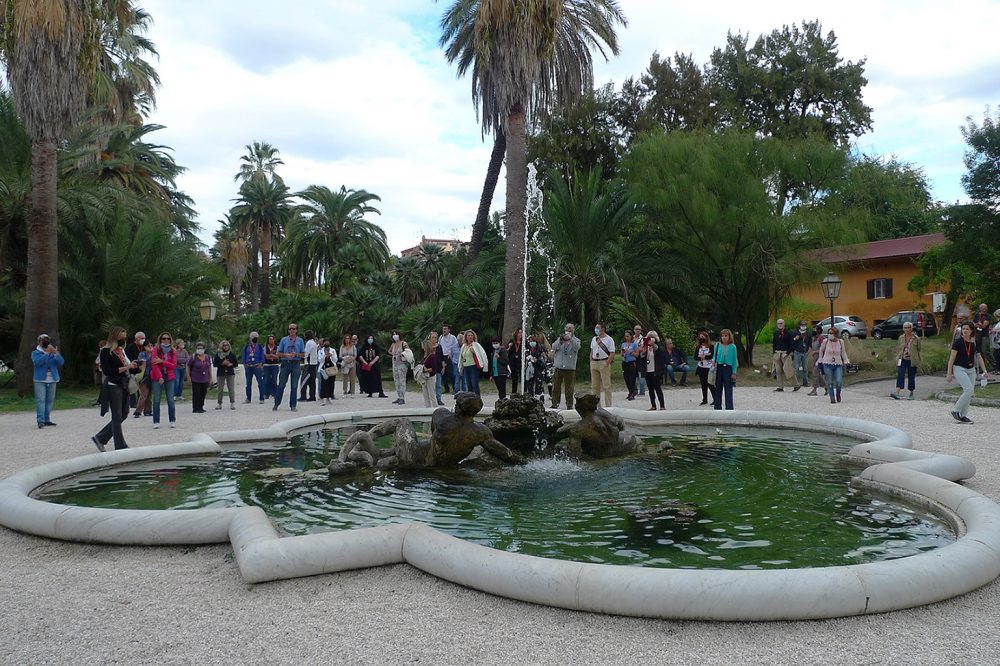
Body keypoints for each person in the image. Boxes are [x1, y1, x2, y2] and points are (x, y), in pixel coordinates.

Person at [92, 326, 138, 452]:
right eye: (121, 337)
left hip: (124, 384)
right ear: (115, 337)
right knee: (117, 415)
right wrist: (126, 368)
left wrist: (135, 365)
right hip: (113, 385)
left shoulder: (121, 351)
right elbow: (107, 371)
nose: (123, 339)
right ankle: (120, 444)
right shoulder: (106, 351)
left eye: (124, 337)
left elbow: (129, 367)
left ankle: (100, 437)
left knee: (124, 413)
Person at [946, 321, 989, 424]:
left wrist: (985, 371)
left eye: (967, 329)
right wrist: (949, 373)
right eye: (963, 329)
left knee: (970, 393)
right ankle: (955, 410)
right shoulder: (958, 343)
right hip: (959, 368)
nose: (964, 331)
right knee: (968, 390)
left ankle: (963, 415)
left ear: (971, 331)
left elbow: (979, 357)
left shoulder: (974, 342)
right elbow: (951, 359)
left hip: (971, 369)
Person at [31, 333, 64, 428]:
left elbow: (61, 362)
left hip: (52, 379)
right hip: (40, 379)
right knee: (40, 400)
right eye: (43, 340)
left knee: (50, 400)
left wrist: (55, 353)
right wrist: (47, 354)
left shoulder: (53, 350)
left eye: (47, 339)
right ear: (39, 342)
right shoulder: (35, 353)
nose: (45, 341)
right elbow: (37, 363)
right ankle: (40, 421)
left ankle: (47, 419)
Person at [273, 323, 305, 411]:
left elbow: (304, 354)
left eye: (293, 329)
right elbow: (278, 353)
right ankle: (276, 403)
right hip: (285, 363)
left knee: (294, 386)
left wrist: (297, 354)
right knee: (281, 385)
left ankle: (293, 405)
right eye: (290, 329)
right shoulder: (284, 340)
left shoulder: (300, 341)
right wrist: (285, 355)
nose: (291, 330)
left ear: (296, 330)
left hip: (296, 363)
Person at [149, 332, 177, 429]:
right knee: (156, 399)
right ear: (160, 339)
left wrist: (162, 361)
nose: (166, 340)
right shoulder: (156, 350)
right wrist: (160, 377)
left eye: (168, 338)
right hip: (157, 376)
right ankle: (156, 421)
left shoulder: (173, 351)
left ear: (170, 340)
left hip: (169, 376)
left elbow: (173, 365)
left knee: (170, 399)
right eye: (164, 338)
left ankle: (172, 420)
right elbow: (154, 364)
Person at [551, 323, 581, 409]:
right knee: (556, 386)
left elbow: (577, 347)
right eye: (567, 328)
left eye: (570, 328)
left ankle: (569, 404)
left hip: (569, 367)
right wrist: (561, 341)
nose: (568, 329)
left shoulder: (576, 340)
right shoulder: (560, 339)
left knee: (569, 388)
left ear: (573, 330)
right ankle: (555, 403)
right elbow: (553, 347)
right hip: (558, 366)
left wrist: (570, 339)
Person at [890, 322, 922, 401]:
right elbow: (899, 347)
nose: (907, 329)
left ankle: (911, 393)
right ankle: (897, 392)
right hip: (902, 358)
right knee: (900, 373)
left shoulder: (916, 338)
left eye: (908, 327)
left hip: (912, 360)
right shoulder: (901, 338)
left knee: (911, 376)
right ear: (903, 329)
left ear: (911, 328)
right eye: (905, 327)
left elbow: (919, 349)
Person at [818, 331, 849, 404]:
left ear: (835, 334)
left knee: (839, 381)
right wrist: (820, 359)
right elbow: (821, 350)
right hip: (827, 363)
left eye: (831, 333)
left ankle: (838, 394)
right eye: (829, 333)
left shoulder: (840, 342)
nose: (830, 334)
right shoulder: (825, 341)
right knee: (830, 382)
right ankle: (832, 397)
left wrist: (846, 360)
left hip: (838, 364)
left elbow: (843, 352)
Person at [712, 329, 739, 411]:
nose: (724, 337)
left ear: (729, 336)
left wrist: (734, 372)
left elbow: (735, 360)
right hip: (719, 367)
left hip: (728, 368)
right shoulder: (717, 345)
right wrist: (713, 361)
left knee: (728, 389)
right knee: (718, 389)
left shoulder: (733, 347)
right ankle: (717, 407)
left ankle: (729, 408)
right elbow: (714, 356)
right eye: (722, 336)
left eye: (726, 336)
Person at [639, 331, 666, 411]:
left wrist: (653, 345)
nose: (650, 339)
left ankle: (662, 405)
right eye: (649, 337)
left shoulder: (659, 345)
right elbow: (642, 357)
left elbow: (661, 353)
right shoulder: (646, 346)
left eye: (652, 337)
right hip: (647, 370)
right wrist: (643, 352)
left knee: (657, 388)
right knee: (650, 389)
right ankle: (653, 405)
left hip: (656, 370)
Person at [590, 323, 615, 407]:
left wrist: (607, 363)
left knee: (606, 386)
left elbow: (612, 353)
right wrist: (591, 361)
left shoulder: (609, 339)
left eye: (598, 328)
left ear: (603, 329)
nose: (596, 329)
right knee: (595, 386)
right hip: (594, 362)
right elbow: (592, 351)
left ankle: (608, 406)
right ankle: (597, 406)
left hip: (603, 362)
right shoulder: (594, 339)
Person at [458, 330, 488, 396]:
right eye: (469, 335)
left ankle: (478, 399)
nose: (470, 337)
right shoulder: (464, 346)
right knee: (469, 385)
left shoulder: (476, 345)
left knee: (474, 384)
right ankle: (470, 400)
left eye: (471, 335)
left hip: (473, 367)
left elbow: (482, 355)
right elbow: (461, 357)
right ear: (466, 337)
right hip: (466, 367)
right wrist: (460, 368)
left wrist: (474, 351)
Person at [357, 334, 387, 398]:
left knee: (377, 378)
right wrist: (365, 362)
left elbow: (378, 355)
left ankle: (380, 392)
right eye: (369, 338)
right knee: (368, 379)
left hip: (375, 365)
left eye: (371, 338)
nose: (370, 340)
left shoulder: (376, 346)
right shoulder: (364, 346)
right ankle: (370, 392)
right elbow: (360, 355)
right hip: (367, 365)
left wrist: (372, 362)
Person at [187, 342, 212, 413]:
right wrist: (188, 376)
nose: (200, 350)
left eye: (201, 348)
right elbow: (188, 366)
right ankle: (195, 408)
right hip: (195, 378)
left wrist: (210, 377)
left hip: (205, 378)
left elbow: (209, 367)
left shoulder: (207, 357)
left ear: (204, 349)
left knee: (203, 393)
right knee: (196, 393)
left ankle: (201, 406)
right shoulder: (193, 357)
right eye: (198, 348)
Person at [213, 340, 239, 410]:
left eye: (227, 345)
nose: (226, 346)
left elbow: (236, 363)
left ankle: (232, 403)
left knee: (231, 388)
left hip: (230, 373)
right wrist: (222, 364)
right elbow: (215, 364)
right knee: (220, 389)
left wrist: (231, 364)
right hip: (221, 373)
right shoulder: (218, 354)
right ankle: (219, 403)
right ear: (222, 346)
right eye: (224, 345)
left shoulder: (231, 354)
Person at [241, 331, 265, 404]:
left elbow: (262, 356)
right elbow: (244, 355)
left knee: (260, 382)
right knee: (248, 383)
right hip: (248, 367)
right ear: (250, 338)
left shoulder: (260, 347)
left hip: (257, 366)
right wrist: (244, 363)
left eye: (256, 337)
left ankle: (261, 398)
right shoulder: (246, 347)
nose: (254, 338)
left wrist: (261, 364)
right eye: (253, 337)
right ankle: (248, 398)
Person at [132, 340, 154, 418]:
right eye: (148, 346)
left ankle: (148, 410)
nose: (150, 347)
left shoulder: (154, 354)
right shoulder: (142, 354)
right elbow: (141, 364)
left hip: (152, 376)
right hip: (144, 377)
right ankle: (138, 411)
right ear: (144, 347)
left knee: (149, 395)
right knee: (143, 395)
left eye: (151, 345)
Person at [693, 332, 716, 406]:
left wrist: (704, 357)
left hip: (708, 367)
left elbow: (711, 355)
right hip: (701, 367)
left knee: (710, 384)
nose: (701, 338)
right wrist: (701, 357)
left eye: (703, 337)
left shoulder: (711, 346)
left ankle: (715, 399)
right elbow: (695, 357)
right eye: (700, 337)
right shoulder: (698, 347)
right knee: (703, 384)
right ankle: (704, 399)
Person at [421, 332, 443, 407]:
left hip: (430, 376)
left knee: (432, 394)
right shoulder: (424, 356)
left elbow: (433, 368)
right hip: (424, 377)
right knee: (425, 394)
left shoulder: (432, 356)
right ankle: (427, 408)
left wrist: (424, 370)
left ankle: (435, 408)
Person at [388, 330, 410, 405]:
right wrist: (393, 354)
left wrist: (402, 354)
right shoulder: (393, 344)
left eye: (396, 334)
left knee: (402, 380)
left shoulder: (403, 343)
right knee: (396, 380)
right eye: (393, 334)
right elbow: (389, 351)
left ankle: (402, 397)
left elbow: (408, 351)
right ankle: (398, 396)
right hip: (395, 363)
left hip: (402, 364)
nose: (395, 336)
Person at [772, 318, 793, 391]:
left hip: (785, 353)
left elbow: (792, 345)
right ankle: (780, 386)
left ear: (784, 324)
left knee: (788, 370)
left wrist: (787, 353)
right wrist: (774, 353)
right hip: (777, 353)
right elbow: (774, 343)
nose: (780, 325)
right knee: (778, 371)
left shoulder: (789, 333)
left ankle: (796, 384)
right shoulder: (776, 333)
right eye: (778, 323)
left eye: (781, 323)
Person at [807, 324, 827, 397]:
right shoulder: (814, 338)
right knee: (818, 374)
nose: (813, 331)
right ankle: (826, 387)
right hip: (815, 357)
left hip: (820, 358)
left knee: (815, 373)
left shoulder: (821, 338)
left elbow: (824, 348)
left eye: (815, 329)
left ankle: (814, 389)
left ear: (819, 330)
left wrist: (816, 351)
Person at [439, 324, 460, 394]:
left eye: (445, 329)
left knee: (451, 373)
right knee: (443, 373)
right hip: (443, 356)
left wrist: (451, 353)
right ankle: (446, 388)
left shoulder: (453, 337)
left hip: (450, 357)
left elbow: (456, 346)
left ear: (448, 330)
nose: (444, 330)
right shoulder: (441, 337)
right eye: (443, 329)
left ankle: (454, 388)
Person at [791, 320, 811, 391]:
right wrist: (795, 339)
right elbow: (791, 341)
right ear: (799, 325)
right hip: (797, 352)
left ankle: (805, 382)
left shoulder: (808, 333)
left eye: (804, 325)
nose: (803, 326)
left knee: (805, 368)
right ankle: (796, 383)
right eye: (802, 325)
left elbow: (810, 343)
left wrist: (809, 350)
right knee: (796, 368)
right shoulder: (795, 333)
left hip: (805, 352)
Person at [299, 330, 318, 402]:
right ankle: (312, 396)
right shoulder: (314, 343)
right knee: (312, 381)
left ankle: (303, 396)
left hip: (309, 364)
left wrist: (301, 355)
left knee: (304, 380)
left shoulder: (309, 343)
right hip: (314, 364)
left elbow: (306, 353)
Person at [489, 335, 511, 400]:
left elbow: (506, 361)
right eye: (493, 343)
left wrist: (499, 358)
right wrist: (491, 375)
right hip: (495, 373)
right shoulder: (493, 352)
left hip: (502, 373)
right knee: (499, 390)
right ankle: (501, 401)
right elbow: (492, 364)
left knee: (502, 390)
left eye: (496, 343)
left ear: (500, 342)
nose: (495, 344)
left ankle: (503, 401)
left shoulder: (503, 350)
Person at [319, 339, 339, 406]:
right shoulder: (320, 351)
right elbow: (320, 360)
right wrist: (325, 355)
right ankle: (323, 398)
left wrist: (331, 356)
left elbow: (335, 359)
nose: (326, 343)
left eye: (327, 342)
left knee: (331, 383)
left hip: (332, 368)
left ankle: (329, 397)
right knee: (324, 384)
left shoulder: (333, 350)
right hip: (324, 368)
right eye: (325, 342)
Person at [620, 330, 639, 401]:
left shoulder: (634, 344)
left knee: (632, 378)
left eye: (628, 336)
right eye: (625, 336)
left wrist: (630, 352)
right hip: (625, 362)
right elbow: (621, 354)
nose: (626, 337)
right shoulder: (623, 344)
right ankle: (630, 391)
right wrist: (623, 352)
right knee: (626, 378)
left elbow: (637, 354)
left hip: (632, 362)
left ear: (631, 336)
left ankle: (632, 392)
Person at [973, 303, 991, 368]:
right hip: (977, 334)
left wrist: (978, 324)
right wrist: (977, 324)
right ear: (980, 308)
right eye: (983, 308)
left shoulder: (988, 316)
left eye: (985, 308)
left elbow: (983, 326)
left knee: (985, 350)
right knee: (979, 351)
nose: (984, 310)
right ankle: (981, 366)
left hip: (984, 335)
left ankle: (995, 366)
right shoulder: (976, 315)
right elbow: (973, 323)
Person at [262, 335, 280, 400]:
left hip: (275, 365)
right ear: (268, 340)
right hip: (267, 365)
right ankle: (266, 394)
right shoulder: (265, 347)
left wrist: (270, 356)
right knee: (266, 380)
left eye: (272, 339)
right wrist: (272, 355)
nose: (271, 340)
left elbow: (277, 356)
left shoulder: (277, 347)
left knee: (274, 380)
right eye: (270, 339)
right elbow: (264, 356)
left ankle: (275, 393)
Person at [507, 328, 524, 394]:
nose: (521, 334)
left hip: (520, 360)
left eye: (522, 332)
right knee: (514, 377)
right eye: (519, 332)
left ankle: (523, 391)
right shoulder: (512, 341)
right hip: (513, 361)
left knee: (522, 375)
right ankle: (514, 392)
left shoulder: (523, 342)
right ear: (516, 333)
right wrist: (509, 347)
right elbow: (507, 350)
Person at [633, 324, 647, 397]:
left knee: (641, 375)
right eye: (637, 329)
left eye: (639, 329)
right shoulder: (632, 338)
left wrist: (636, 349)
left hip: (641, 359)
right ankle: (634, 391)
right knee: (633, 375)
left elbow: (643, 349)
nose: (638, 330)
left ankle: (642, 391)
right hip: (633, 359)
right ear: (634, 330)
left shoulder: (643, 339)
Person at [991, 309, 1000, 375]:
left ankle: (998, 369)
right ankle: (997, 368)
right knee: (996, 355)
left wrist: (995, 331)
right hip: (996, 341)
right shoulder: (997, 322)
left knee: (998, 355)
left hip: (999, 341)